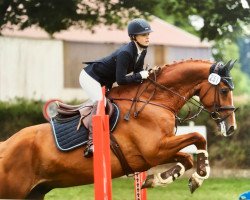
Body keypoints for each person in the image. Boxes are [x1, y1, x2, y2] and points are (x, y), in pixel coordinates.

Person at [79, 18, 153, 158]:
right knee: (100, 103)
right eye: (144, 35)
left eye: (148, 34)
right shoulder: (125, 53)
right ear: (134, 37)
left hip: (105, 80)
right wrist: (140, 75)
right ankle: (91, 143)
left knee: (111, 103)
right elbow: (121, 80)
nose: (147, 37)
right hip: (90, 77)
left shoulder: (142, 51)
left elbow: (137, 74)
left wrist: (147, 76)